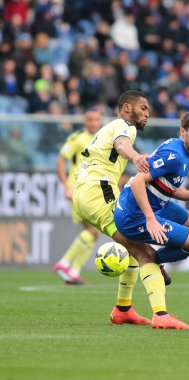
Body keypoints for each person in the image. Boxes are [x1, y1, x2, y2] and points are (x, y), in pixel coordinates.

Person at [72, 90, 172, 328]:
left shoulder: (112, 127)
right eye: (143, 108)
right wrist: (136, 156)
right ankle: (161, 314)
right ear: (128, 108)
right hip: (99, 190)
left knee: (133, 245)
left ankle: (123, 309)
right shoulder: (124, 126)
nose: (148, 114)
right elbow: (122, 144)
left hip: (86, 192)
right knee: (143, 249)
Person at [114, 111, 189, 329]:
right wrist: (151, 220)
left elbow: (168, 188)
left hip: (156, 202)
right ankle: (155, 261)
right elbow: (137, 182)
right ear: (183, 132)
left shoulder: (183, 151)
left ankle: (157, 259)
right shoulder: (175, 154)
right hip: (133, 215)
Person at [53, 110, 101, 285]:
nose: (94, 123)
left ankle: (72, 272)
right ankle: (65, 263)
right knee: (92, 231)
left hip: (92, 190)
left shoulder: (102, 137)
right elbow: (60, 160)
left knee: (93, 233)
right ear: (85, 121)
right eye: (90, 119)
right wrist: (66, 186)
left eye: (96, 119)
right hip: (77, 189)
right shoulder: (77, 138)